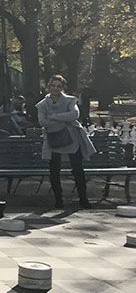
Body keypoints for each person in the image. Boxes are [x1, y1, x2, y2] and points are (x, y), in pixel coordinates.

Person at [37, 75, 96, 209]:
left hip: (72, 139)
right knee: (54, 171)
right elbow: (42, 121)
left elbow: (74, 115)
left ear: (62, 88)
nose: (55, 88)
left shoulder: (70, 100)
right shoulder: (42, 105)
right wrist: (63, 120)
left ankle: (83, 199)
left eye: (59, 86)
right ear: (49, 86)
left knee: (77, 169)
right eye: (53, 85)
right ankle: (58, 200)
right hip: (53, 139)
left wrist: (53, 117)